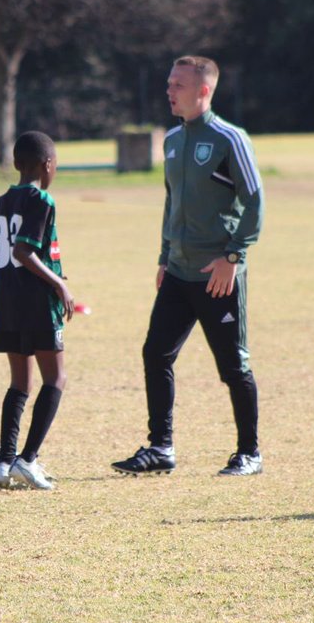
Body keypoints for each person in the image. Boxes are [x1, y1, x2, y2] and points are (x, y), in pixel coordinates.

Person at [111, 55, 265, 477]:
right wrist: (164, 256)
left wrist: (233, 257)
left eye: (178, 85)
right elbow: (170, 202)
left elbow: (255, 202)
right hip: (178, 272)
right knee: (155, 353)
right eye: (168, 83)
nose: (169, 90)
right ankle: (161, 448)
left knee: (233, 365)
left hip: (217, 275)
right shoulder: (174, 140)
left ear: (204, 91)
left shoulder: (229, 139)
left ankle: (249, 453)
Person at [0, 131, 72, 491]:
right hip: (37, 303)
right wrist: (58, 283)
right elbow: (23, 252)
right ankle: (28, 460)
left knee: (20, 383)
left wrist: (18, 273)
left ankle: (4, 461)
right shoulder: (42, 200)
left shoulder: (2, 201)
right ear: (48, 165)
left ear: (16, 164)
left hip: (8, 303)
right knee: (55, 379)